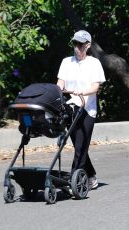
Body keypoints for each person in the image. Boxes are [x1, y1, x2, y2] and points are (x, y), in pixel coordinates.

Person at [57, 30, 106, 190]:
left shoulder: (94, 63)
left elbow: (95, 87)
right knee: (81, 146)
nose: (77, 47)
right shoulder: (66, 62)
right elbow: (60, 84)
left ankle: (73, 181)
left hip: (87, 109)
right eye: (75, 44)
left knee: (80, 147)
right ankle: (91, 176)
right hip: (70, 108)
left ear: (88, 45)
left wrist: (81, 92)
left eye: (80, 44)